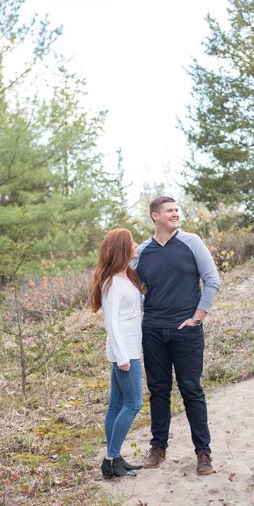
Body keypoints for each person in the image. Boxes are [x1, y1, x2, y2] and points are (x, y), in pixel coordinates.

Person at [133, 196, 221, 475]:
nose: (176, 214)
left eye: (176, 210)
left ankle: (203, 453)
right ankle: (158, 448)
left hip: (187, 331)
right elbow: (134, 293)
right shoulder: (141, 252)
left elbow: (212, 280)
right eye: (169, 211)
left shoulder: (192, 242)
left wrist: (197, 318)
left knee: (191, 390)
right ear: (154, 216)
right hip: (153, 330)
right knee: (158, 391)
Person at [90, 228, 145, 479]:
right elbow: (111, 323)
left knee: (115, 405)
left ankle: (114, 460)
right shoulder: (112, 283)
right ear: (123, 249)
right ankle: (111, 458)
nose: (135, 245)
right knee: (133, 404)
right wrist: (123, 357)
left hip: (129, 348)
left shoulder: (125, 277)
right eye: (131, 243)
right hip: (125, 352)